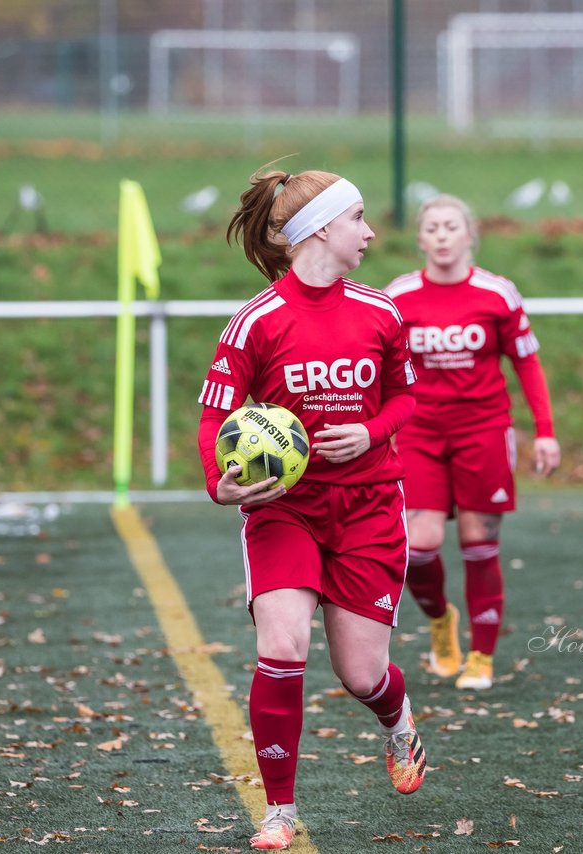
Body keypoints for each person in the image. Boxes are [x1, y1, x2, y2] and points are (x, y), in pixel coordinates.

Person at [196, 165, 425, 850]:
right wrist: (221, 482)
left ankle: (398, 721)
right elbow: (215, 419)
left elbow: (405, 398)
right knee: (283, 644)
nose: (371, 233)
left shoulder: (381, 311)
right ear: (321, 228)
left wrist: (371, 432)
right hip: (283, 509)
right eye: (359, 219)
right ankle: (280, 812)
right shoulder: (255, 322)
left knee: (360, 674)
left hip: (369, 510)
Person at [384, 194, 560, 692]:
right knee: (418, 547)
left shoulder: (497, 294)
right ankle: (441, 621)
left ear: (469, 235)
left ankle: (482, 655)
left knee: (479, 543)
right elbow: (379, 368)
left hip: (483, 429)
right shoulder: (397, 296)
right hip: (418, 433)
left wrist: (545, 432)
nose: (441, 235)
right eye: (432, 227)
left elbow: (526, 362)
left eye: (450, 226)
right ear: (420, 239)